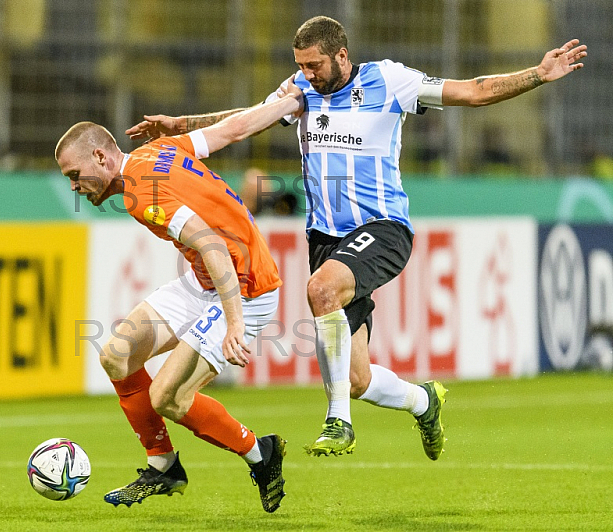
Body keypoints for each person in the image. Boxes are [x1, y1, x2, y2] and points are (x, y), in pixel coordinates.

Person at [125, 16, 587, 460]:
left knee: (320, 289)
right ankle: (424, 402)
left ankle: (336, 421)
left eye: (314, 66)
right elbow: (250, 117)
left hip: (383, 229)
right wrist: (183, 124)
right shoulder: (301, 88)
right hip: (327, 240)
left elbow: (472, 92)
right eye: (301, 66)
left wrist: (539, 75)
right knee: (358, 376)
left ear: (341, 55)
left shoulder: (390, 82)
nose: (305, 75)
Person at [54, 90, 302, 511]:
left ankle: (261, 454)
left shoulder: (140, 194)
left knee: (167, 397)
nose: (75, 185)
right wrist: (288, 104)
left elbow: (213, 246)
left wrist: (235, 323)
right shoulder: (161, 148)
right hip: (204, 281)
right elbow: (232, 129)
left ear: (100, 157)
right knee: (117, 355)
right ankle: (163, 465)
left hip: (243, 287)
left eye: (74, 174)